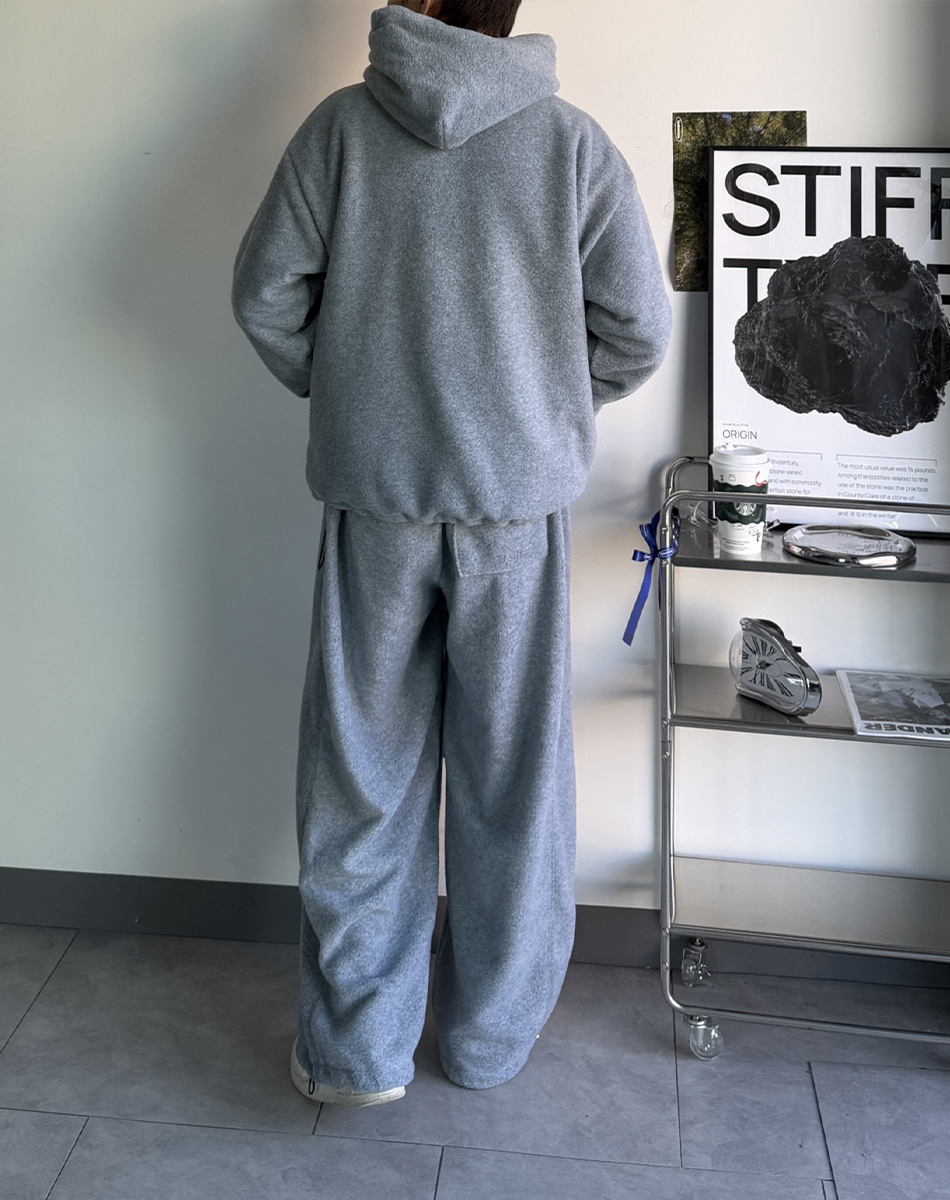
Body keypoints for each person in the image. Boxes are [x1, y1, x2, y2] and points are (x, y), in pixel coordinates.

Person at [231, 0, 671, 1107]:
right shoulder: (570, 144)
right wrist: (539, 409)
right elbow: (637, 333)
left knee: (360, 779)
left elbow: (265, 296)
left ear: (422, 5)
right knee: (513, 784)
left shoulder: (339, 130)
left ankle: (356, 1055)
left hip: (375, 504)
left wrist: (351, 390)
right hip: (513, 515)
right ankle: (487, 1043)